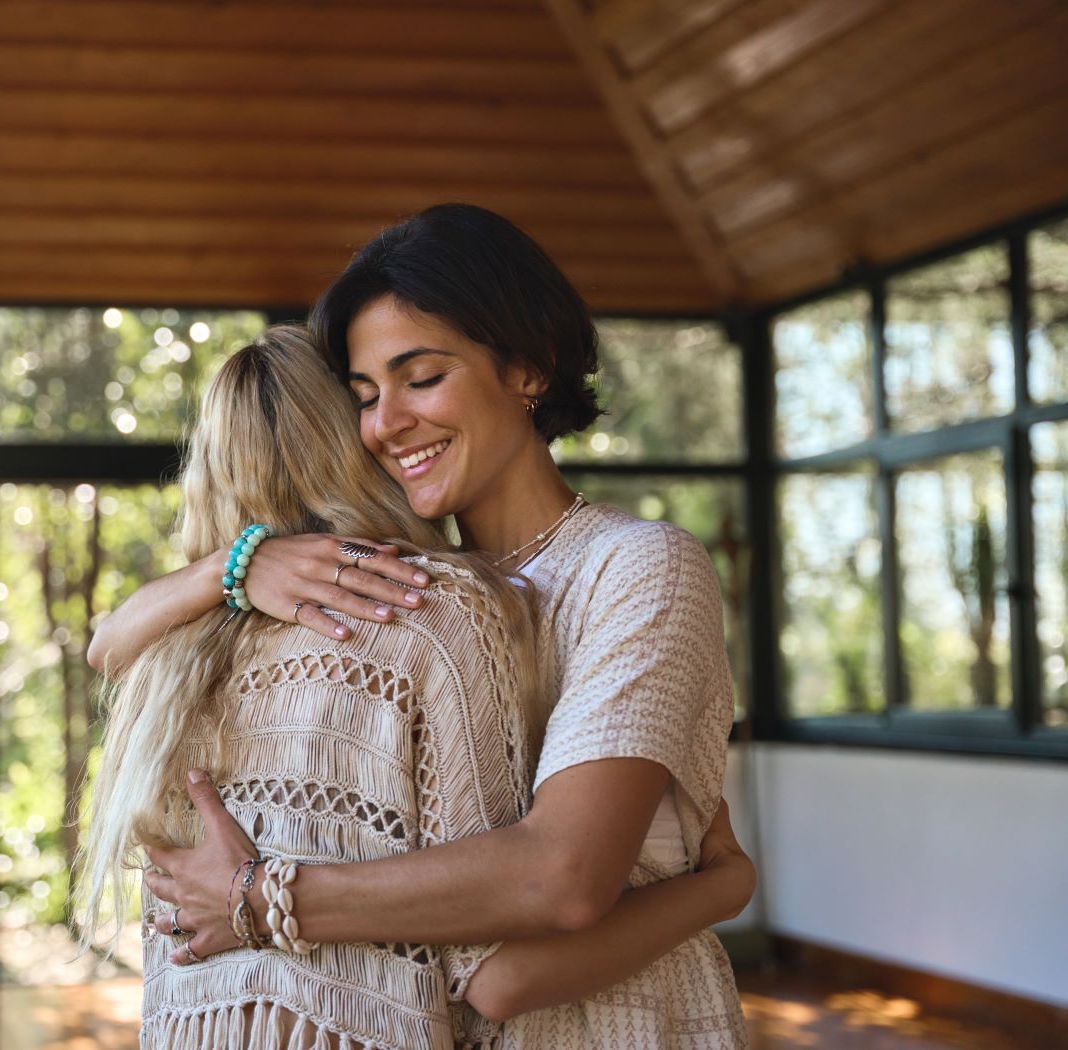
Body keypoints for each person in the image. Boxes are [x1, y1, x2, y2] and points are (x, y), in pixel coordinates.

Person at [88, 204, 751, 1045]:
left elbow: (564, 876)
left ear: (529, 368)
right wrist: (237, 564)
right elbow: (110, 648)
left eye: (422, 377)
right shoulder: (396, 600)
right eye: (364, 396)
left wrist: (260, 897)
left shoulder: (634, 569)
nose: (385, 423)